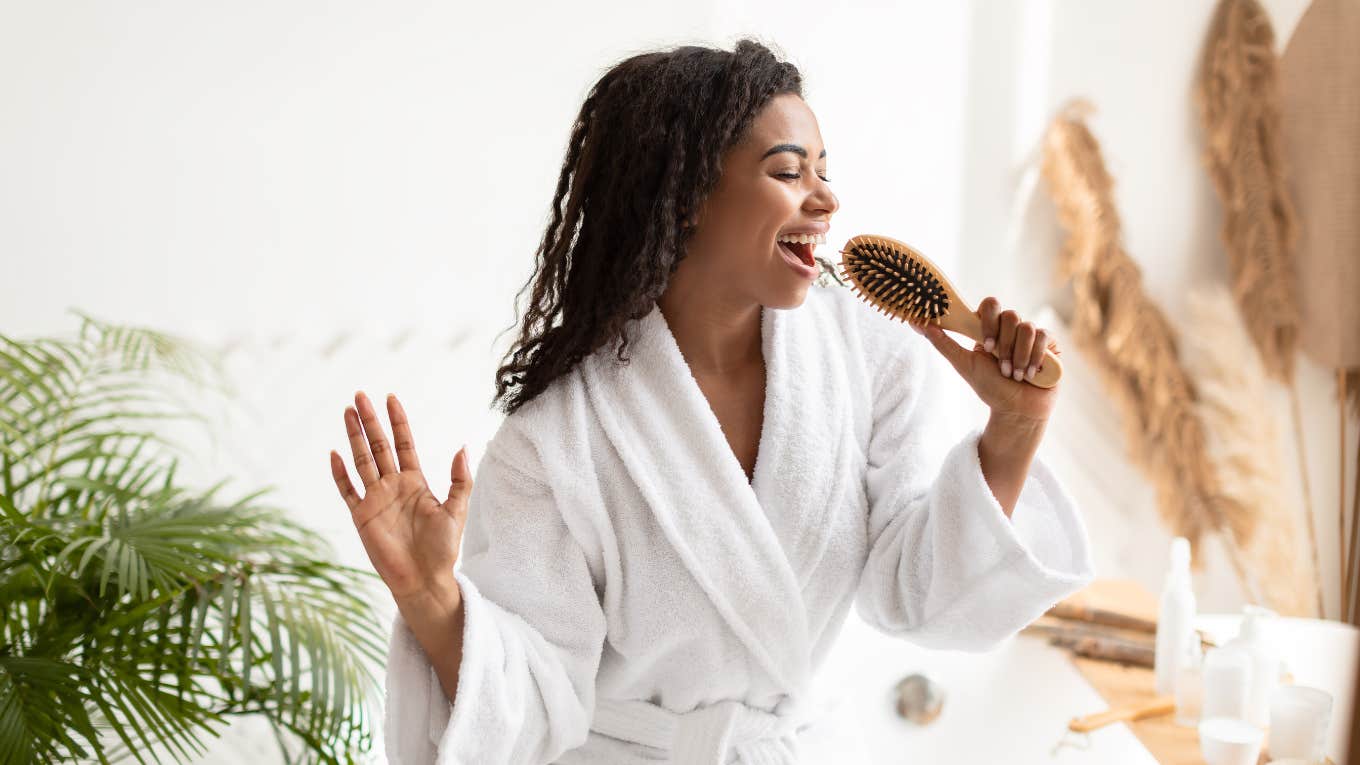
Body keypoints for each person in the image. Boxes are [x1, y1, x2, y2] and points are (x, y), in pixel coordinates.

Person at [329, 38, 1095, 765]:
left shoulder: (873, 356)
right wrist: (430, 595)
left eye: (825, 169)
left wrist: (1015, 428)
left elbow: (924, 597)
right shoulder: (558, 439)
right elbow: (532, 700)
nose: (827, 198)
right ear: (690, 192)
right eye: (789, 171)